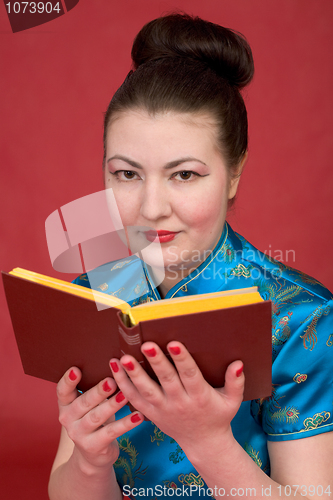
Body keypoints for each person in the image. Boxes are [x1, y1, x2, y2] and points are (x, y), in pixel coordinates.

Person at [48, 13, 333, 500]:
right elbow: (65, 489)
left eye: (184, 174)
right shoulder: (98, 292)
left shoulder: (301, 318)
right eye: (126, 174)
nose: (152, 208)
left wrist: (207, 440)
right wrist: (91, 462)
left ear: (234, 174)